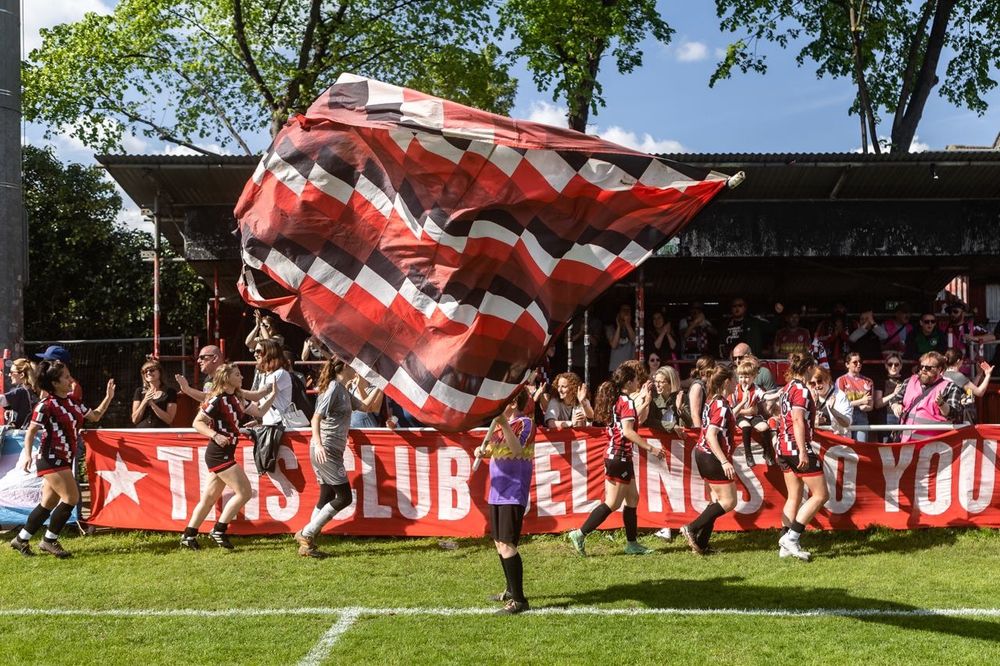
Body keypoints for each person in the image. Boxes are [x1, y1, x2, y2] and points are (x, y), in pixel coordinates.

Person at [10, 360, 114, 558]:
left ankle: (21, 539)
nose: (70, 380)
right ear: (55, 383)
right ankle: (49, 540)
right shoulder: (45, 406)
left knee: (48, 503)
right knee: (72, 498)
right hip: (51, 458)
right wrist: (27, 455)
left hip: (64, 458)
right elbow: (31, 431)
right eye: (66, 377)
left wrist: (108, 397)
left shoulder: (73, 402)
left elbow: (96, 416)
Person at [566, 361, 665, 556]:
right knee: (612, 503)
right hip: (619, 456)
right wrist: (651, 448)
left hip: (619, 456)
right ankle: (579, 533)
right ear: (628, 382)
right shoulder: (625, 401)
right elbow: (627, 432)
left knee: (633, 498)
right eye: (636, 379)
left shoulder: (618, 400)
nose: (638, 381)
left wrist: (644, 401)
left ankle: (631, 543)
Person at [294, 356, 383, 558]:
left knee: (326, 495)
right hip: (326, 449)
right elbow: (316, 417)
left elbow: (367, 407)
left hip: (332, 449)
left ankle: (307, 542)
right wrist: (318, 444)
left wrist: (381, 385)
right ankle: (306, 534)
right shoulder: (333, 387)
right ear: (344, 367)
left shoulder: (343, 389)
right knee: (344, 497)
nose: (357, 369)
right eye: (353, 366)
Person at [181, 364, 277, 550]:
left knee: (208, 498)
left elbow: (259, 412)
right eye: (237, 374)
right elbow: (197, 422)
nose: (241, 377)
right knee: (245, 492)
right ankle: (219, 530)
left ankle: (188, 535)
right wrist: (215, 435)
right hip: (218, 453)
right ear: (226, 378)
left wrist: (273, 394)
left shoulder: (237, 397)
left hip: (225, 451)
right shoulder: (216, 399)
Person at [474, 389, 535, 615]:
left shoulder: (525, 422)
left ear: (512, 402)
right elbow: (494, 449)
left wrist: (503, 423)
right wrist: (482, 452)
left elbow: (517, 449)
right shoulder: (500, 427)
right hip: (497, 490)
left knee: (508, 544)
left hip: (513, 490)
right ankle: (510, 590)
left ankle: (519, 600)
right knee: (499, 542)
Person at [774, 352, 829, 562]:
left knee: (794, 496)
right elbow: (797, 420)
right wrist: (803, 450)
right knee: (821, 495)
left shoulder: (786, 388)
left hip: (783, 446)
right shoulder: (801, 390)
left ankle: (784, 543)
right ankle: (792, 537)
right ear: (808, 368)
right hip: (796, 447)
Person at [680, 365, 738, 555]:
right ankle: (692, 528)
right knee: (729, 501)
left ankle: (702, 544)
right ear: (727, 382)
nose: (737, 383)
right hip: (712, 456)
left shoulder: (714, 401)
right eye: (735, 380)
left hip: (703, 453)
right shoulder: (720, 405)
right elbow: (712, 435)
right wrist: (724, 461)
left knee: (716, 500)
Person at [893, 351, 963, 442]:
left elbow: (955, 415)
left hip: (934, 446)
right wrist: (896, 406)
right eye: (921, 367)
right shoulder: (909, 381)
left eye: (929, 368)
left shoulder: (950, 387)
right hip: (906, 444)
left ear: (940, 369)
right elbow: (895, 399)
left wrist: (942, 404)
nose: (924, 370)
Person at [730, 357, 776, 466]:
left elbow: (766, 396)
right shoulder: (735, 389)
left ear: (753, 377)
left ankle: (767, 452)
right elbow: (732, 410)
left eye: (747, 377)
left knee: (764, 427)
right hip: (740, 417)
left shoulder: (756, 389)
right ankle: (748, 455)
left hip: (753, 416)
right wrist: (746, 411)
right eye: (741, 377)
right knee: (746, 426)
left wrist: (778, 394)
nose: (744, 380)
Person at [942, 349, 994, 424]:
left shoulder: (944, 374)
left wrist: (979, 375)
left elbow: (970, 390)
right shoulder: (958, 376)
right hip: (959, 416)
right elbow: (979, 392)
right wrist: (988, 375)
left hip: (946, 414)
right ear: (958, 361)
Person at [836, 352, 874, 442]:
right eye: (855, 362)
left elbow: (871, 406)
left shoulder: (868, 381)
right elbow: (840, 404)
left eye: (860, 362)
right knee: (845, 447)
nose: (859, 364)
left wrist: (865, 407)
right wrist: (861, 401)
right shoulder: (841, 380)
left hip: (862, 416)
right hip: (845, 415)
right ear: (847, 364)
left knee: (861, 447)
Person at [131, 359, 178, 427]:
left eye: (151, 370)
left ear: (160, 372)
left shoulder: (170, 392)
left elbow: (169, 420)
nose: (148, 373)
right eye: (145, 371)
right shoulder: (139, 391)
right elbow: (134, 420)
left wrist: (152, 404)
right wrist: (144, 401)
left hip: (161, 433)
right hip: (142, 434)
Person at [808, 366, 853, 436]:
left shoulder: (840, 396)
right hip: (818, 442)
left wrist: (833, 410)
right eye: (813, 383)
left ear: (827, 379)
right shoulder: (811, 395)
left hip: (837, 441)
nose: (817, 386)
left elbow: (846, 423)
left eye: (819, 381)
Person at [873, 354, 906, 437]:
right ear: (886, 366)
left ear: (901, 366)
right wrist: (894, 394)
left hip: (903, 417)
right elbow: (877, 404)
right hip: (886, 416)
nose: (893, 367)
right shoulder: (881, 380)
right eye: (890, 364)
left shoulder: (906, 381)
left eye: (896, 364)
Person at [0, 358, 39, 429]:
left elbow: (2, 399)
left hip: (20, 434)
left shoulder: (21, 391)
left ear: (21, 375)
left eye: (11, 372)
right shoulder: (34, 390)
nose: (9, 375)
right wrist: (11, 411)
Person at [686, 355, 717, 429]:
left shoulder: (707, 385)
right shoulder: (697, 387)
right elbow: (695, 414)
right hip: (696, 430)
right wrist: (701, 434)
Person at [605, 303, 636, 372]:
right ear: (619, 313)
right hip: (615, 368)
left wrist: (628, 324)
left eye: (628, 310)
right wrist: (619, 326)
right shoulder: (611, 327)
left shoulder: (635, 327)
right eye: (623, 310)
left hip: (629, 368)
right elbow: (613, 345)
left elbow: (635, 341)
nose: (626, 312)